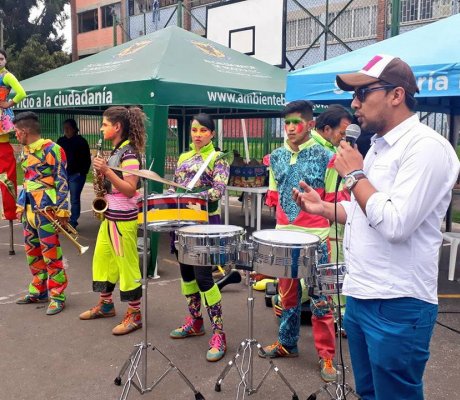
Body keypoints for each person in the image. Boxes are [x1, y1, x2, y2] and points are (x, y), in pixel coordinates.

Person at [293, 54, 460, 399]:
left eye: (362, 93)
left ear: (396, 95)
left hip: (398, 302)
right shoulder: (379, 148)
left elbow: (396, 222)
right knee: (368, 392)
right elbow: (367, 210)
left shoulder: (426, 148)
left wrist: (354, 176)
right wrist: (323, 207)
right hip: (361, 294)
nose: (354, 104)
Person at [260, 100, 338, 383]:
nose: (291, 128)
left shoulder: (326, 157)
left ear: (311, 124)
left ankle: (327, 355)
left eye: (297, 122)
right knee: (287, 296)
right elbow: (274, 196)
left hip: (316, 239)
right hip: (284, 239)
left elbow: (332, 202)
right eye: (287, 123)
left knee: (320, 299)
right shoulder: (276, 157)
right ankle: (287, 343)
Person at [79, 106, 146, 336]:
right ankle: (106, 304)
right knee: (103, 260)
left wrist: (106, 172)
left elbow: (129, 189)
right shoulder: (118, 150)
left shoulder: (129, 154)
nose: (101, 128)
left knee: (127, 266)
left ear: (117, 127)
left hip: (123, 219)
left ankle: (135, 315)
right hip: (110, 218)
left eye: (105, 124)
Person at [168, 113, 230, 362]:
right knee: (186, 275)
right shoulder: (183, 157)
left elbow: (218, 191)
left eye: (203, 130)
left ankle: (219, 332)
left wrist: (191, 195)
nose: (197, 134)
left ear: (212, 133)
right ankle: (195, 321)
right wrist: (171, 193)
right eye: (195, 130)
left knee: (204, 277)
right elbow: (174, 185)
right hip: (181, 224)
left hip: (205, 224)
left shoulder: (219, 158)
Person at [14, 112, 69, 315]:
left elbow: (62, 182)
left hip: (47, 211)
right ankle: (38, 290)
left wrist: (63, 213)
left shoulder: (53, 149)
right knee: (33, 253)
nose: (15, 135)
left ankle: (57, 295)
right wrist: (21, 205)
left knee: (51, 255)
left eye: (17, 132)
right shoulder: (25, 151)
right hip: (29, 210)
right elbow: (27, 181)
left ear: (26, 130)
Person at [0, 49, 26, 222]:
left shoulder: (7, 76)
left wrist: (8, 103)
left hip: (1, 118)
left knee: (6, 175)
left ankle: (10, 211)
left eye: (0, 59)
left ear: (6, 60)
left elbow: (22, 93)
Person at [57, 119, 91, 229]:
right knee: (61, 197)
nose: (65, 130)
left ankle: (73, 222)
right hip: (63, 174)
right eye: (64, 128)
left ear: (74, 128)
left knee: (74, 199)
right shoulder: (61, 141)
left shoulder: (81, 141)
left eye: (68, 128)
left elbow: (87, 159)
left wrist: (82, 172)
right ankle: (61, 219)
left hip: (76, 174)